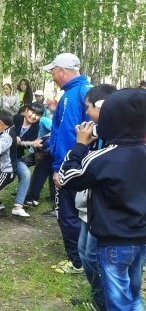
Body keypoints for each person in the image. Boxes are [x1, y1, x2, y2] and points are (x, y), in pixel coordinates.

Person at [59, 89, 146, 311]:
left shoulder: (102, 158)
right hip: (141, 237)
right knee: (133, 296)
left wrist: (79, 145)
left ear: (111, 119)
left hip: (114, 242)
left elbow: (67, 179)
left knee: (117, 303)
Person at [68, 84, 117, 311]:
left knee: (97, 259)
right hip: (90, 206)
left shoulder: (118, 139)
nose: (86, 113)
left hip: (106, 212)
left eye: (88, 107)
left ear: (102, 107)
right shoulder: (100, 132)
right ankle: (99, 301)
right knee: (86, 255)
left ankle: (107, 303)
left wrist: (79, 147)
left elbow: (72, 177)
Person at [43, 52, 92, 274]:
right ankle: (86, 257)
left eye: (53, 72)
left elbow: (68, 135)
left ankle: (77, 262)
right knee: (84, 213)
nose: (53, 76)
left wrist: (59, 169)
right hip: (89, 165)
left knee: (68, 214)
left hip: (72, 166)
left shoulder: (71, 96)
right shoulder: (88, 90)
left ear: (63, 71)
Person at [11, 103, 45, 217]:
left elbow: (27, 144)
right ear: (26, 111)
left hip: (16, 157)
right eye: (32, 112)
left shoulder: (36, 127)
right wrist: (14, 137)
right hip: (4, 157)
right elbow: (4, 133)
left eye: (38, 115)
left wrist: (29, 143)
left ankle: (18, 206)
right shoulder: (16, 119)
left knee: (26, 174)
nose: (34, 116)